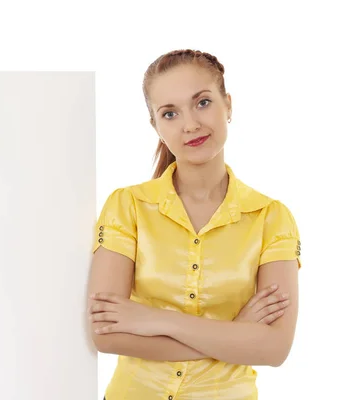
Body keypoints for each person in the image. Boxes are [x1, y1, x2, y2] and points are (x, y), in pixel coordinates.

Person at [87, 49, 301, 400]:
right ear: (156, 126)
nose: (189, 124)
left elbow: (275, 349)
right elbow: (106, 333)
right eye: (169, 113)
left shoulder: (272, 218)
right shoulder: (127, 206)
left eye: (202, 103)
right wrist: (236, 336)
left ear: (228, 105)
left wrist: (155, 320)